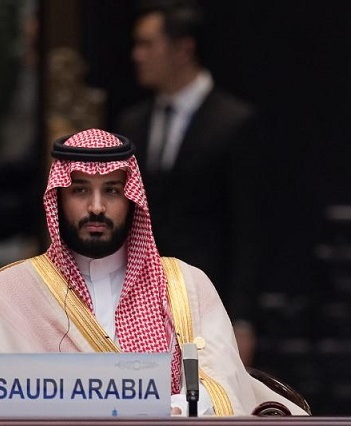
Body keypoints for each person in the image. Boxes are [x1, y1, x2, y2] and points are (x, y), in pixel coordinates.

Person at [0, 128, 307, 417]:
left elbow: (226, 388)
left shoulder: (187, 286)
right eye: (80, 190)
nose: (96, 207)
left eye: (111, 190)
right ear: (58, 197)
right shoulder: (6, 294)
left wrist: (171, 407)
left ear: (131, 198)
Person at [113, 0, 267, 365]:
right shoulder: (132, 122)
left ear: (184, 49)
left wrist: (242, 319)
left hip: (207, 304)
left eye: (148, 44)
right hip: (140, 304)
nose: (137, 55)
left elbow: (249, 228)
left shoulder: (233, 123)